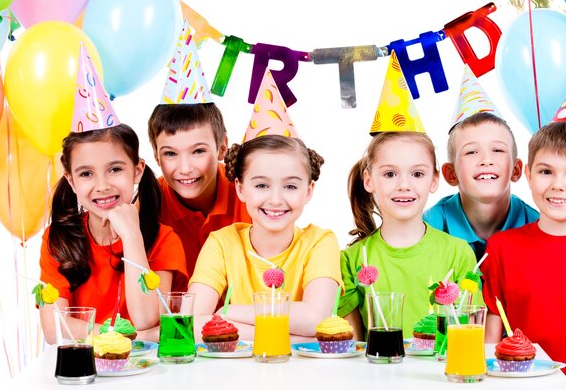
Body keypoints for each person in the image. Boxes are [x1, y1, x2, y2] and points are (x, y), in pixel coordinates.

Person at [482, 122, 566, 390]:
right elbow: (490, 342)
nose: (558, 185)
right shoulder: (501, 248)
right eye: (546, 171)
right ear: (529, 175)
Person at [39, 124, 188, 343]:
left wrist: (131, 236)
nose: (102, 186)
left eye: (115, 169)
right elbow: (54, 330)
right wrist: (133, 336)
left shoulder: (165, 240)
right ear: (71, 181)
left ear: (137, 171)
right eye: (86, 174)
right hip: (86, 366)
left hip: (149, 369)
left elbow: (146, 319)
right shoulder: (58, 239)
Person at [188, 135, 343, 342]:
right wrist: (296, 336)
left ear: (308, 191)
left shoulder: (320, 242)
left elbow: (316, 318)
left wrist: (228, 313)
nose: (276, 200)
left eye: (290, 187)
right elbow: (192, 325)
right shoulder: (222, 243)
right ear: (240, 189)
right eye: (262, 186)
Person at [338, 131, 478, 339]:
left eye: (418, 174)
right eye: (390, 174)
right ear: (368, 180)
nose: (404, 185)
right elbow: (353, 348)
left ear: (434, 180)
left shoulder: (459, 253)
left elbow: (470, 335)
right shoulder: (352, 259)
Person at [148, 103, 250, 291]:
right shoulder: (149, 203)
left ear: (222, 148)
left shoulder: (249, 194)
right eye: (170, 153)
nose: (185, 169)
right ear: (156, 156)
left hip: (242, 317)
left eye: (198, 151)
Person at [424, 112, 538, 259]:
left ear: (515, 170)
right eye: (471, 152)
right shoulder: (428, 227)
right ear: (451, 174)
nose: (486, 160)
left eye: (497, 150)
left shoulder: (536, 225)